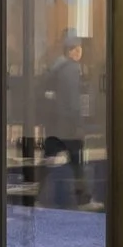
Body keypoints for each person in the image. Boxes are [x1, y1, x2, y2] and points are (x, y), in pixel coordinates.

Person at [41, 35, 92, 205]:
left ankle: (35, 197)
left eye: (80, 48)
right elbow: (73, 100)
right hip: (69, 125)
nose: (79, 52)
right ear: (69, 51)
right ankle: (83, 200)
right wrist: (78, 124)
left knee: (49, 161)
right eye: (75, 49)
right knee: (77, 162)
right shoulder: (71, 69)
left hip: (55, 124)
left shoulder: (56, 67)